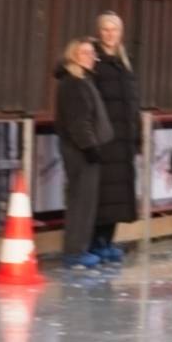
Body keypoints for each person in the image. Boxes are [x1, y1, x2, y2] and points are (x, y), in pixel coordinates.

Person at [53, 39, 116, 269]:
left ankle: (80, 247)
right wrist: (89, 147)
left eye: (92, 53)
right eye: (84, 53)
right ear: (73, 55)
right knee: (81, 200)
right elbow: (79, 122)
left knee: (87, 201)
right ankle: (75, 251)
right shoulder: (73, 83)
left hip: (86, 148)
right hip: (79, 150)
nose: (90, 57)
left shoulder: (84, 80)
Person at [87, 13, 143, 264]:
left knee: (119, 196)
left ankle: (108, 240)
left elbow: (132, 102)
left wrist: (136, 134)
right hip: (105, 139)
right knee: (102, 195)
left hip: (124, 140)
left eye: (114, 30)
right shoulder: (94, 61)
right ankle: (95, 241)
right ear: (99, 32)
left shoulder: (124, 62)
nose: (110, 34)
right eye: (105, 29)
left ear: (120, 33)